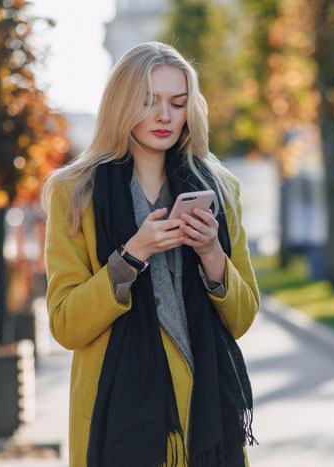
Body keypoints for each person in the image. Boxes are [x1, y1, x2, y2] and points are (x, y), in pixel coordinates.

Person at [41, 41, 259, 467]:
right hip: (118, 420)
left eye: (177, 103)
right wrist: (132, 254)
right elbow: (65, 324)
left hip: (206, 418)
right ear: (121, 105)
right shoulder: (76, 193)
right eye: (148, 101)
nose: (164, 116)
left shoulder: (220, 189)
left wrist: (211, 251)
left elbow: (243, 317)